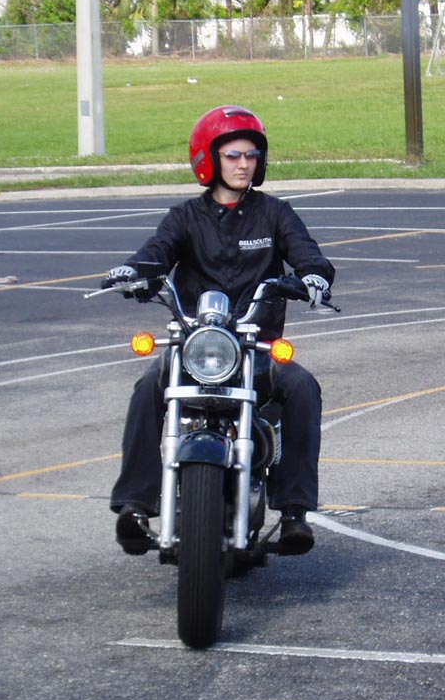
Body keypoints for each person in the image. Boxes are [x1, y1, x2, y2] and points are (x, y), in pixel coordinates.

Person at [106, 104, 335, 557]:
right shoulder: (185, 217)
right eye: (233, 155)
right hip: (196, 347)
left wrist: (313, 277)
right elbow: (156, 252)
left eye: (251, 155)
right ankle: (135, 505)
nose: (243, 164)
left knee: (302, 387)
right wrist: (133, 272)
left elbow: (308, 255)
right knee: (148, 386)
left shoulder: (275, 214)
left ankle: (294, 511)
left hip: (255, 347)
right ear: (208, 160)